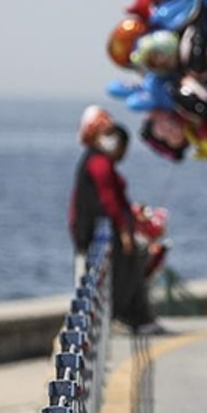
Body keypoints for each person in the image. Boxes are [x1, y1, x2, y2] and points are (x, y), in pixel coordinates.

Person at [67, 109, 165, 335]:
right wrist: (123, 231)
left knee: (134, 264)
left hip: (106, 230)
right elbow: (109, 201)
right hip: (98, 232)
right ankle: (126, 315)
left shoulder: (98, 161)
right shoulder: (98, 163)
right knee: (124, 272)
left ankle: (136, 315)